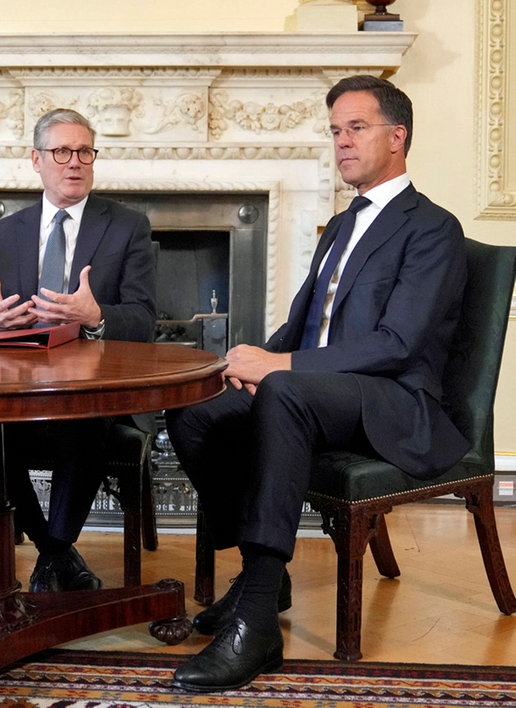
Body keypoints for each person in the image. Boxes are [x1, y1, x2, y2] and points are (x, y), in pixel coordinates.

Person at [166, 76, 470, 692]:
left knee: (283, 391)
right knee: (195, 407)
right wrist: (242, 364)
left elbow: (398, 345)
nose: (342, 142)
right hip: (319, 390)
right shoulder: (339, 226)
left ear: (398, 135)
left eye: (356, 128)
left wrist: (279, 370)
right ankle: (267, 579)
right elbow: (305, 325)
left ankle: (256, 621)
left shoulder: (433, 227)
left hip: (394, 399)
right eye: (335, 131)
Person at [0, 108, 156, 592]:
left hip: (98, 393)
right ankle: (55, 551)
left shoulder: (127, 225)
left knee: (83, 415)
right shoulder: (3, 233)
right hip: (21, 391)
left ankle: (52, 553)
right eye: (61, 152)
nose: (75, 163)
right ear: (36, 160)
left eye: (85, 152)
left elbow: (145, 320)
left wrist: (95, 316)